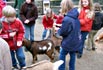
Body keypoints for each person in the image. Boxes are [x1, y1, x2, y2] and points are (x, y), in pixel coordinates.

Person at [58, 0, 82, 70]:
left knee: (62, 54)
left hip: (68, 42)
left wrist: (58, 30)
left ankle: (61, 68)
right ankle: (72, 68)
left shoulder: (67, 19)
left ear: (64, 6)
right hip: (76, 41)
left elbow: (63, 32)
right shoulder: (75, 15)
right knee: (73, 55)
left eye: (61, 6)